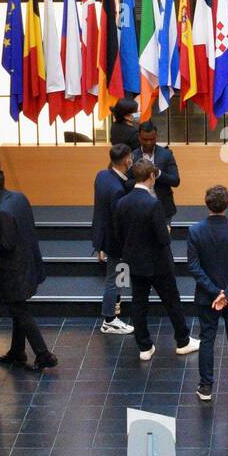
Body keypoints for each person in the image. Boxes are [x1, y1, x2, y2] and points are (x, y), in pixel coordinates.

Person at [114, 159, 199, 362]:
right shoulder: (153, 204)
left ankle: (144, 346)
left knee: (138, 304)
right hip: (159, 264)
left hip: (134, 263)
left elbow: (118, 234)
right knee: (172, 302)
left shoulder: (121, 203)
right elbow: (163, 239)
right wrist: (167, 230)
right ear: (152, 176)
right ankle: (183, 341)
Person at [0, 166, 56, 371]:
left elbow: (6, 243)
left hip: (13, 270)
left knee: (19, 311)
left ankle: (43, 354)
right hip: (27, 262)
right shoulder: (19, 197)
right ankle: (17, 351)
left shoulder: (3, 211)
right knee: (18, 310)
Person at [186, 184, 228, 401]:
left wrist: (215, 292)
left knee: (207, 340)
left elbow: (194, 267)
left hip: (207, 297)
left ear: (207, 203)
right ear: (227, 204)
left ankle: (205, 387)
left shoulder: (195, 231)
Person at [92, 143, 135, 335]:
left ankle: (116, 305)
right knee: (114, 279)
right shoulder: (117, 190)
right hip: (115, 241)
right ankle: (109, 319)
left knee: (117, 278)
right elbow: (119, 221)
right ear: (127, 160)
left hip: (103, 235)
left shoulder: (102, 175)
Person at [131, 120, 179, 222]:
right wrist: (141, 179)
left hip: (162, 207)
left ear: (156, 136)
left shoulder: (166, 154)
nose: (148, 142)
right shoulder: (133, 156)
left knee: (163, 237)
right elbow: (126, 182)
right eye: (145, 139)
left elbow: (175, 181)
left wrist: (159, 174)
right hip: (138, 206)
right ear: (139, 138)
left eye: (152, 139)